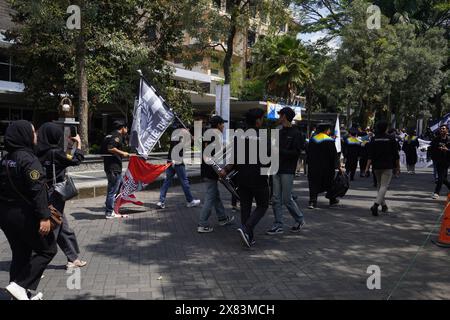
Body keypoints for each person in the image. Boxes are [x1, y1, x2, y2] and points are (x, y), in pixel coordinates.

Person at [0, 120, 57, 300]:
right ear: (24, 135)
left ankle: (18, 292)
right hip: (24, 215)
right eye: (33, 132)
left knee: (20, 253)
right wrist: (44, 217)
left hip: (6, 215)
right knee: (47, 250)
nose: (36, 136)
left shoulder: (5, 158)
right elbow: (37, 189)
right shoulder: (28, 159)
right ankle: (19, 285)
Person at [36, 122, 87, 269]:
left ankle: (73, 258)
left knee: (62, 225)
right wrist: (79, 144)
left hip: (43, 191)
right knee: (54, 226)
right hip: (55, 193)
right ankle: (35, 260)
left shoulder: (37, 151)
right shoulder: (55, 153)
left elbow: (66, 157)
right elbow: (76, 159)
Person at [222, 108, 270, 248]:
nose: (262, 121)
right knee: (263, 205)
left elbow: (233, 159)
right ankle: (247, 228)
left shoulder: (238, 137)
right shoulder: (263, 137)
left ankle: (248, 237)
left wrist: (225, 170)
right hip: (258, 177)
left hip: (242, 177)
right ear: (257, 121)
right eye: (262, 118)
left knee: (245, 207)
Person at [267, 107, 305, 235]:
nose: (279, 117)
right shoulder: (278, 131)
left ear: (285, 117)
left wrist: (280, 151)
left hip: (287, 169)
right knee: (276, 198)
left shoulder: (296, 133)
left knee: (286, 198)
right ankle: (278, 224)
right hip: (275, 167)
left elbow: (296, 153)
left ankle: (299, 219)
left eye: (280, 115)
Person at [197, 115, 235, 233]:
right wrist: (220, 170)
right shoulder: (215, 135)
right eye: (222, 124)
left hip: (207, 169)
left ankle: (222, 218)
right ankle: (202, 224)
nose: (223, 126)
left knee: (215, 195)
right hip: (211, 171)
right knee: (210, 197)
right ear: (218, 125)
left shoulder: (208, 134)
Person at [156, 122, 201, 209]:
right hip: (177, 162)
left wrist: (193, 139)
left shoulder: (176, 136)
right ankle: (190, 201)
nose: (188, 130)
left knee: (167, 181)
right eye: (187, 129)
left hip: (171, 161)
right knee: (184, 181)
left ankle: (161, 201)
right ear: (183, 129)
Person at [365, 120, 400, 216]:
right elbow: (396, 155)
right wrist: (398, 167)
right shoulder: (391, 139)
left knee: (380, 186)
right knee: (384, 186)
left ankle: (384, 205)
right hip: (387, 166)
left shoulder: (374, 139)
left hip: (376, 166)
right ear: (386, 128)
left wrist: (367, 168)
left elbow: (370, 155)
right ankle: (376, 205)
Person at [307, 123, 342, 209]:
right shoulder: (329, 141)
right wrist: (338, 166)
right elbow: (334, 155)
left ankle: (312, 202)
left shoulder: (312, 140)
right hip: (327, 167)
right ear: (327, 130)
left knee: (313, 183)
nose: (330, 131)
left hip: (314, 166)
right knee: (329, 182)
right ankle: (332, 199)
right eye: (329, 129)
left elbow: (308, 152)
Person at [102, 119, 130, 219]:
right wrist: (123, 153)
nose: (127, 130)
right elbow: (110, 148)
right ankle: (109, 212)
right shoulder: (117, 136)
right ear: (122, 128)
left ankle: (110, 205)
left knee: (121, 184)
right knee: (112, 190)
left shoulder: (108, 136)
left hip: (110, 166)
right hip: (114, 167)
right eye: (126, 128)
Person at [430, 124, 450, 199]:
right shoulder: (436, 139)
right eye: (441, 129)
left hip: (447, 161)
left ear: (447, 130)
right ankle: (436, 192)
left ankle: (436, 192)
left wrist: (447, 150)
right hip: (438, 160)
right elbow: (431, 148)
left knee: (442, 178)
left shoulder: (449, 139)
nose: (442, 130)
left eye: (443, 129)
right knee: (442, 178)